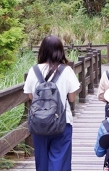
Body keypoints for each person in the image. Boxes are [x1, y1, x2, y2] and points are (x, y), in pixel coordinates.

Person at [23, 35, 81, 171]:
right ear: (60, 51)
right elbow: (72, 99)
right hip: (62, 122)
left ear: (42, 51)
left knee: (41, 163)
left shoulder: (34, 70)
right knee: (60, 161)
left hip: (39, 123)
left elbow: (31, 96)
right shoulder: (66, 70)